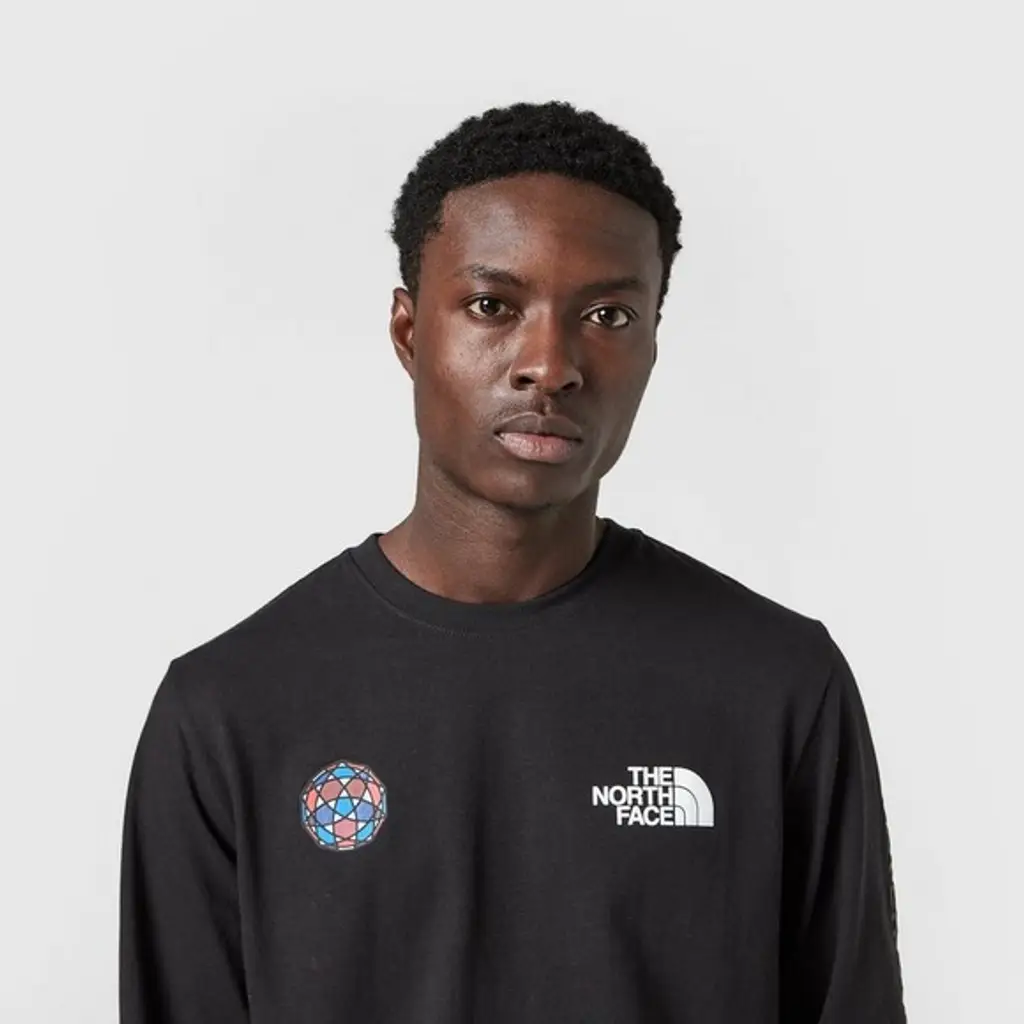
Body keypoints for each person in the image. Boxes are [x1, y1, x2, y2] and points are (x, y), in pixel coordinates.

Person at [119, 99, 907, 1022]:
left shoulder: (775, 686)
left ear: (653, 346)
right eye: (493, 306)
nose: (550, 365)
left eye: (609, 314)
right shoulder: (228, 712)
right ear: (409, 332)